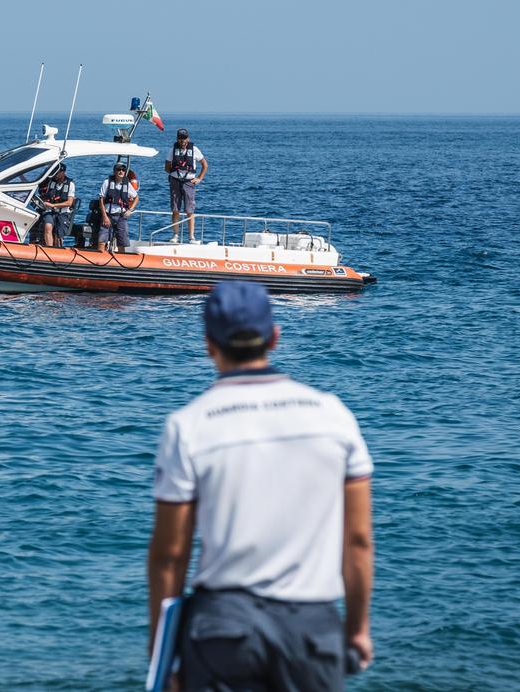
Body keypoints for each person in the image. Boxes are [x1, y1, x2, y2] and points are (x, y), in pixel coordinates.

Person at [147, 280, 374, 691]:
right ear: (274, 337)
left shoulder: (188, 426)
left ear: (208, 344)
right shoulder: (333, 417)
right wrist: (357, 628)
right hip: (310, 629)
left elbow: (170, 556)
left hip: (222, 629)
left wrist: (161, 653)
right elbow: (357, 541)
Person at [164, 128, 208, 244]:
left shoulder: (194, 150)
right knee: (175, 209)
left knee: (189, 210)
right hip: (175, 181)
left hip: (189, 182)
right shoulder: (172, 150)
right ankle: (175, 235)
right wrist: (175, 174)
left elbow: (204, 164)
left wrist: (199, 178)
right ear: (177, 139)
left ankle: (191, 237)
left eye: (184, 138)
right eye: (180, 138)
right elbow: (167, 166)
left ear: (188, 139)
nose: (182, 140)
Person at [99, 162, 138, 252]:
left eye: (123, 170)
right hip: (108, 215)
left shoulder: (127, 184)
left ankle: (121, 258)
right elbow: (101, 199)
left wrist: (130, 210)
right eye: (119, 169)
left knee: (122, 242)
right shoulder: (107, 182)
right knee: (102, 240)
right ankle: (100, 256)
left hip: (121, 216)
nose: (121, 171)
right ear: (114, 171)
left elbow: (136, 197)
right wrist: (104, 216)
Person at [34, 165, 75, 247]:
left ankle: (57, 248)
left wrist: (53, 205)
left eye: (58, 172)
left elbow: (69, 203)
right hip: (50, 211)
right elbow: (46, 195)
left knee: (58, 235)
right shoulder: (51, 182)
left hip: (63, 212)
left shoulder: (70, 184)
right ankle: (49, 248)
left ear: (63, 172)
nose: (56, 174)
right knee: (48, 226)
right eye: (55, 172)